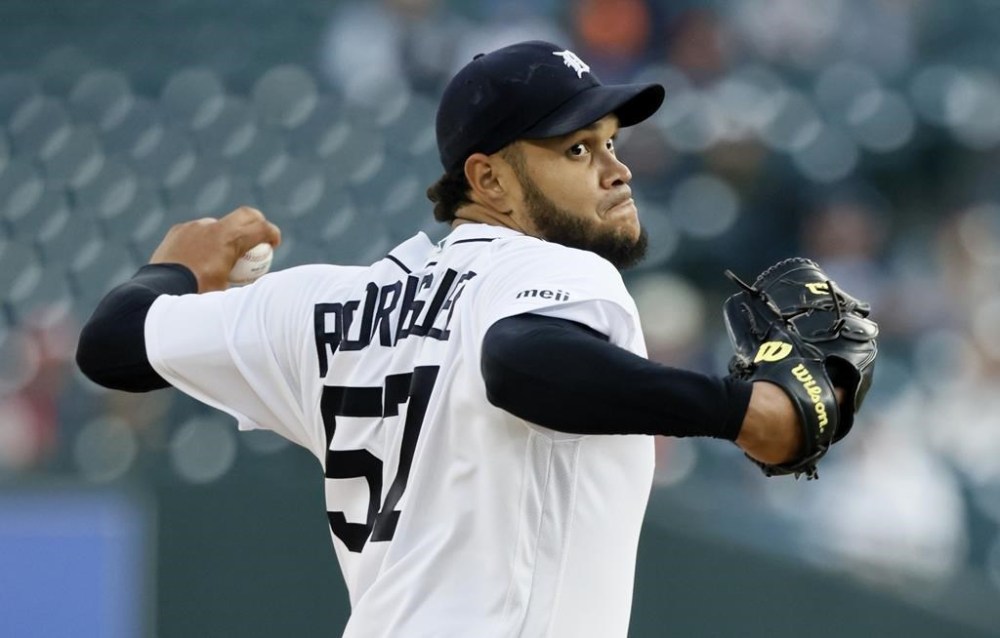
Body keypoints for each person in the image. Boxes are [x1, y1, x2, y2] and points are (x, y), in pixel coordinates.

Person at [77, 41, 811, 637]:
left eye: (611, 142)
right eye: (578, 150)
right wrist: (741, 410)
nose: (618, 171)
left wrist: (169, 268)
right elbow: (520, 361)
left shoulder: (323, 301)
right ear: (488, 179)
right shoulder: (557, 268)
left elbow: (111, 344)